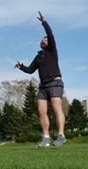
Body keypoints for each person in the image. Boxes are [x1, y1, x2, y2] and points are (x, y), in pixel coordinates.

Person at [15, 11, 66, 147]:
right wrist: (21, 67)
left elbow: (50, 35)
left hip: (55, 83)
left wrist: (44, 22)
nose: (43, 40)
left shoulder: (52, 50)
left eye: (45, 39)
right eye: (41, 39)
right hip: (43, 87)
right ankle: (46, 137)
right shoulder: (38, 56)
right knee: (41, 111)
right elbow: (30, 70)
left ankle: (61, 135)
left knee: (56, 108)